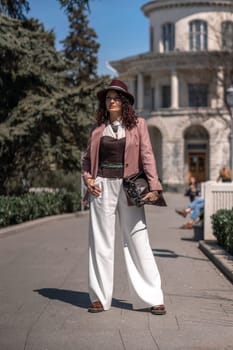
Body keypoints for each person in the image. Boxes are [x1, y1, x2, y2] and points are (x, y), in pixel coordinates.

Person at [82, 79, 166, 315]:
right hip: (102, 187)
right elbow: (87, 159)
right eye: (108, 98)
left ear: (125, 102)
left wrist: (154, 186)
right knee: (100, 242)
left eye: (116, 97)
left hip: (130, 188)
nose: (111, 101)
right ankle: (99, 297)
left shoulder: (138, 125)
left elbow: (147, 155)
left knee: (139, 240)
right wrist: (88, 180)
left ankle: (153, 297)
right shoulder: (98, 128)